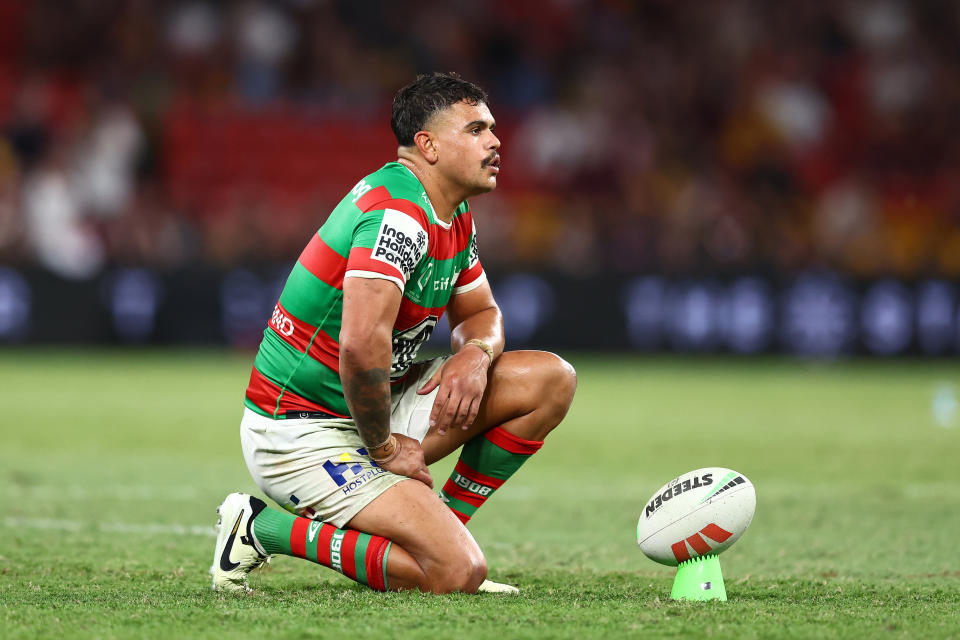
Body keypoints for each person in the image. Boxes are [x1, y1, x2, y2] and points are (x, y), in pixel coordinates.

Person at [211, 72, 577, 595]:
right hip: (300, 432)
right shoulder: (397, 215)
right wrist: (383, 449)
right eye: (476, 130)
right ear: (426, 145)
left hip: (374, 407)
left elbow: (482, 314)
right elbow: (361, 349)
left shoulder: (452, 213)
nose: (496, 142)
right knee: (457, 574)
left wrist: (475, 353)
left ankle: (443, 529)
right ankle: (260, 528)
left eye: (492, 128)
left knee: (549, 379)